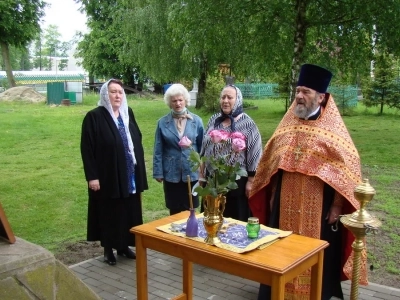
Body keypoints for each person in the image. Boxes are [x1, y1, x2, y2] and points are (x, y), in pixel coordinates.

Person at [249, 64, 367, 299]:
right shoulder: (289, 123)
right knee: (280, 248)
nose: (300, 97)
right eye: (298, 91)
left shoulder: (333, 129)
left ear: (321, 97)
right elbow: (272, 160)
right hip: (285, 202)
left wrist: (336, 204)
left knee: (317, 254)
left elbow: (345, 168)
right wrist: (272, 194)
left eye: (306, 92)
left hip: (319, 206)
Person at [80, 79, 148, 266]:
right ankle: (108, 248)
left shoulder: (127, 114)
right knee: (110, 210)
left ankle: (124, 245)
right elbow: (87, 148)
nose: (117, 95)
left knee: (127, 209)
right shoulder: (94, 117)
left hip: (128, 172)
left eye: (120, 92)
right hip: (107, 173)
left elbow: (136, 140)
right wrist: (92, 176)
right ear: (105, 95)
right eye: (113, 92)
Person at [200, 84, 262, 222]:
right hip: (213, 181)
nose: (225, 101)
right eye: (223, 97)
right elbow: (204, 147)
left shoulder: (248, 124)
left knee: (234, 222)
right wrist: (201, 173)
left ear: (238, 99)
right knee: (211, 218)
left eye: (230, 97)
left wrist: (251, 181)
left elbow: (255, 152)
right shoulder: (214, 120)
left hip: (236, 183)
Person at [153, 83, 204, 215]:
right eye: (174, 101)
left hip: (191, 172)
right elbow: (158, 149)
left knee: (191, 208)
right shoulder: (162, 122)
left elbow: (202, 148)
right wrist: (158, 172)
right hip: (171, 173)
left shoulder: (196, 121)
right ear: (170, 103)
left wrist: (202, 172)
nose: (178, 103)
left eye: (180, 100)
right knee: (174, 210)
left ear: (185, 100)